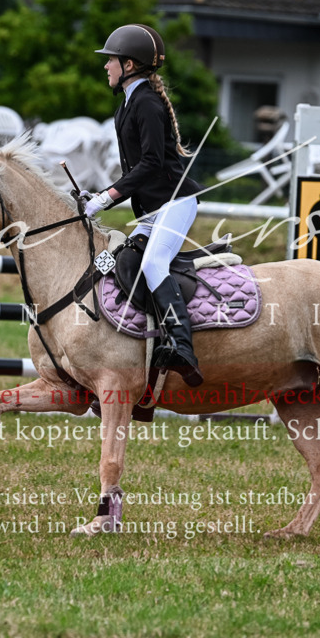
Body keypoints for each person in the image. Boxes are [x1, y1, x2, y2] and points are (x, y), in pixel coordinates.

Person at [85, 24, 205, 387]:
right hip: (153, 210)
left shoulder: (147, 104)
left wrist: (107, 197)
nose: (106, 67)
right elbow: (134, 167)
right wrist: (98, 194)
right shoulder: (128, 103)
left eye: (112, 61)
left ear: (130, 65)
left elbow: (151, 163)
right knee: (122, 257)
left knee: (153, 264)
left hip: (175, 203)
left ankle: (183, 348)